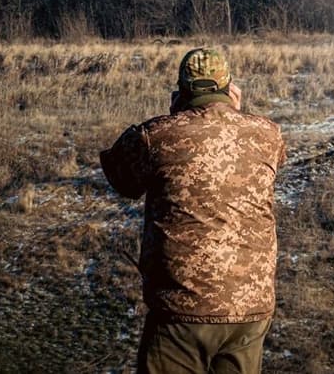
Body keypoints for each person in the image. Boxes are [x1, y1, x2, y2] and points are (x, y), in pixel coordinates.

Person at [100, 47, 286, 374]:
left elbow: (121, 179)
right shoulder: (268, 134)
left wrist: (174, 117)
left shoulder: (156, 136)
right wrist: (235, 113)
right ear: (229, 87)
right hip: (250, 310)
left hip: (181, 311)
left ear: (181, 90)